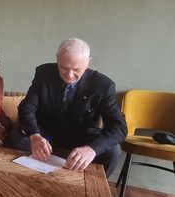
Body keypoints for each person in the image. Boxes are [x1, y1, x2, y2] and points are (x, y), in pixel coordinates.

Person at [9, 38, 127, 178]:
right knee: (17, 134)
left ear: (88, 62)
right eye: (63, 68)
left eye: (76, 69)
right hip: (47, 134)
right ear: (57, 59)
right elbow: (27, 107)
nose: (69, 75)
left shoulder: (102, 85)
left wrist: (92, 149)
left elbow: (119, 127)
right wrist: (35, 136)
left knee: (113, 151)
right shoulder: (44, 73)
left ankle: (89, 188)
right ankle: (26, 179)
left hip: (82, 137)